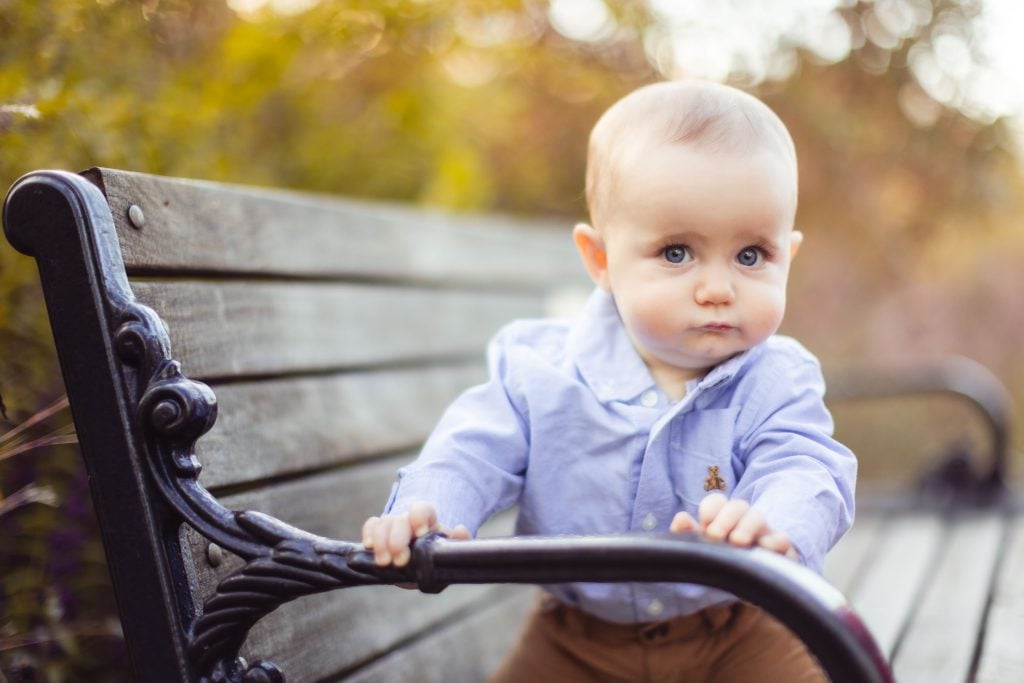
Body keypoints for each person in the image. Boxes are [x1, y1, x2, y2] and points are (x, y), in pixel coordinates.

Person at [362, 80, 856, 682]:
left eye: (751, 255)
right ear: (600, 260)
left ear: (788, 255)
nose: (718, 287)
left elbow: (806, 466)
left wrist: (777, 523)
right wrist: (428, 511)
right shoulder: (537, 371)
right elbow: (470, 452)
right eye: (677, 253)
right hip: (573, 642)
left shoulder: (776, 378)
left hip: (739, 632)